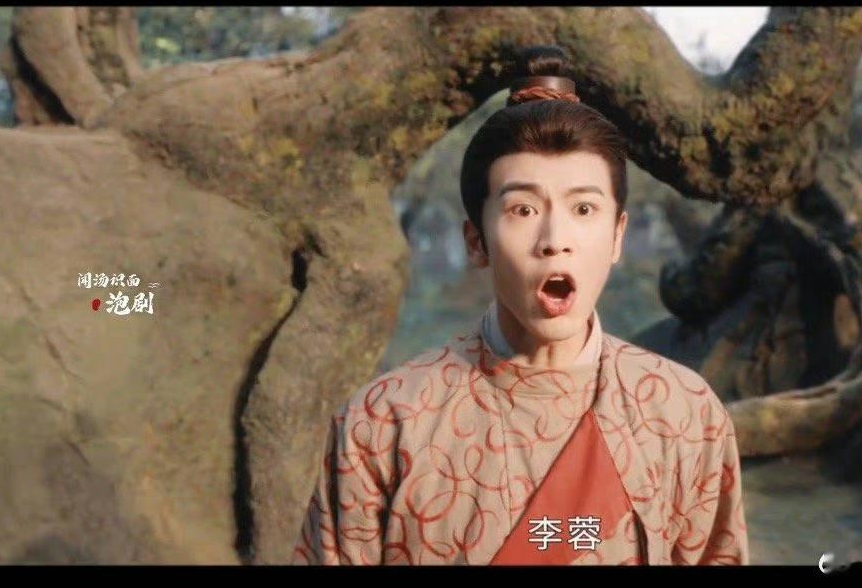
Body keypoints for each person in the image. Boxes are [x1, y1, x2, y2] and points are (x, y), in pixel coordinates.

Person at [293, 46, 748, 566]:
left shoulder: (684, 414)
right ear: (477, 242)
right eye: (523, 209)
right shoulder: (383, 423)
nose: (555, 240)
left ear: (617, 235)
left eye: (583, 208)